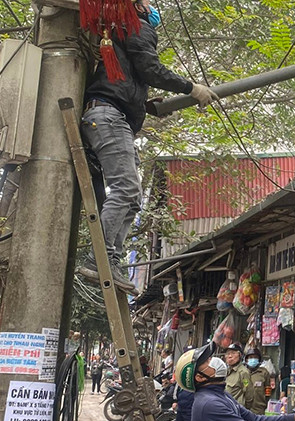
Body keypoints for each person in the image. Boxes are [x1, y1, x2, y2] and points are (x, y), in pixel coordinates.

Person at [77, 0, 219, 294]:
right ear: (139, 8)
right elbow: (150, 68)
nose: (153, 7)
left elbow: (129, 75)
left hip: (109, 114)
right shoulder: (136, 25)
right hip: (109, 115)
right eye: (149, 3)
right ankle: (98, 259)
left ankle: (110, 259)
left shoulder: (118, 31)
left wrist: (143, 103)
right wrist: (192, 88)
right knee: (126, 189)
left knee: (133, 198)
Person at [240, 347, 270, 415]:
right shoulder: (242, 372)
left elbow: (268, 390)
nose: (253, 359)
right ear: (246, 360)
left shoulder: (264, 372)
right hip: (243, 408)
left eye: (255, 357)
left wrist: (265, 402)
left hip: (259, 409)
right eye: (250, 357)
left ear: (259, 359)